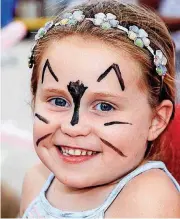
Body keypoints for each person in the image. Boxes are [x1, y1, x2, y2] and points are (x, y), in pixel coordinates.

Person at [20, 1, 180, 217]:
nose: (73, 127)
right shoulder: (36, 181)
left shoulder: (148, 199)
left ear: (156, 120)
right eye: (58, 101)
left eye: (104, 106)